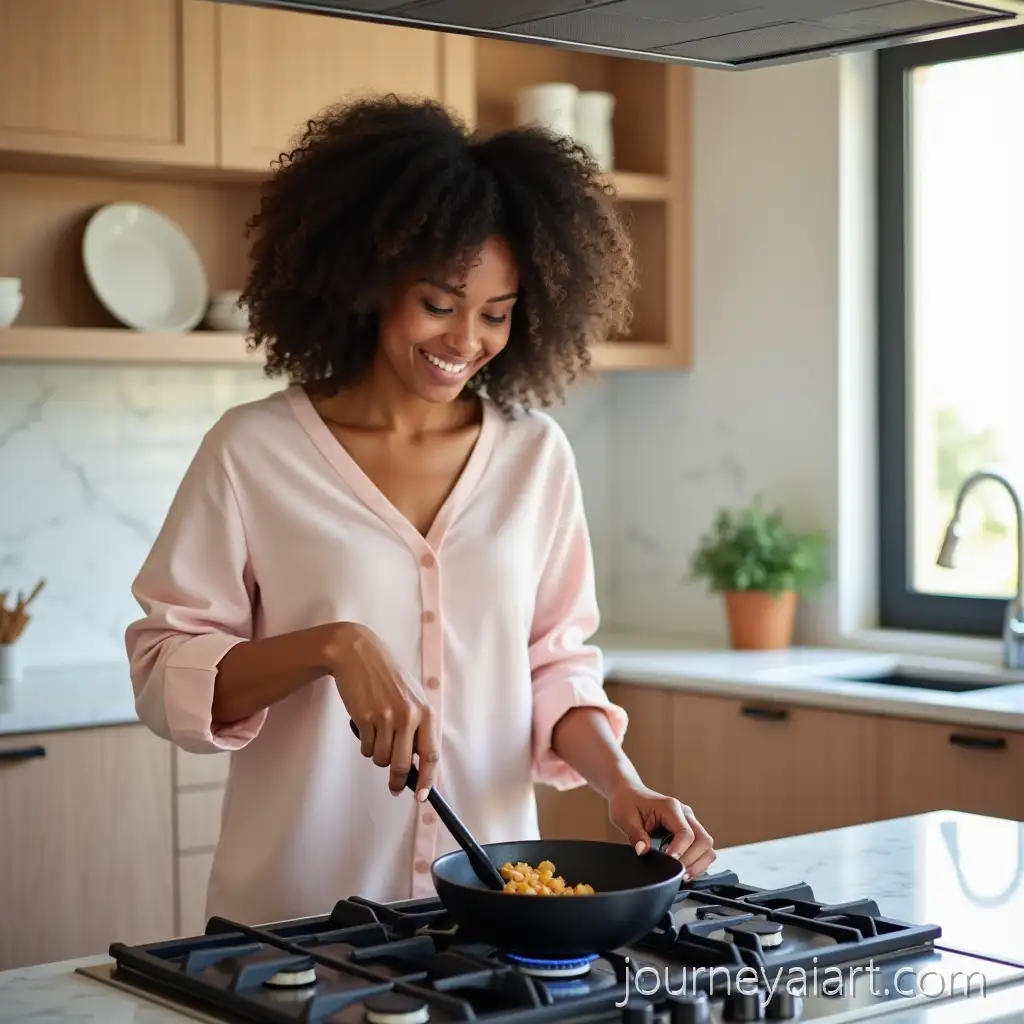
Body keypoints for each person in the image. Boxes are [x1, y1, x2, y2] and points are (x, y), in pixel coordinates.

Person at [125, 94, 715, 926]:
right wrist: (333, 647)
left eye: (497, 314)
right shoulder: (253, 452)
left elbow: (555, 663)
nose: (465, 341)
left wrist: (623, 783)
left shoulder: (534, 455)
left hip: (490, 920)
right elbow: (163, 672)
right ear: (369, 279)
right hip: (299, 920)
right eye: (439, 304)